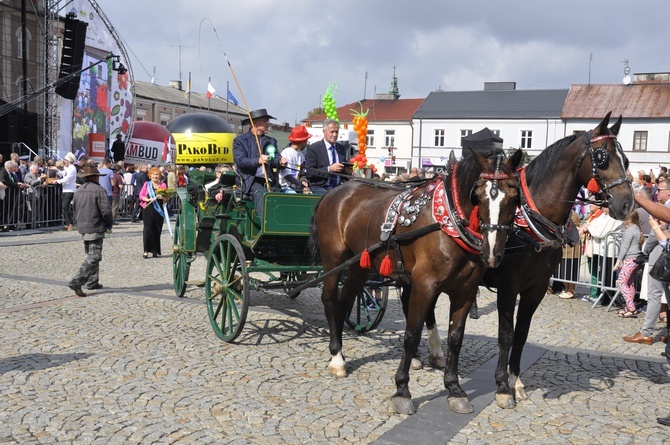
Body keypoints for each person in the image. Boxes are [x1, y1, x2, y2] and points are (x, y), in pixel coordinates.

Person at [624, 179, 670, 345]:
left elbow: (656, 234)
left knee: (654, 295)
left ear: (668, 192)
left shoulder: (667, 207)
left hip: (660, 257)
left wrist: (645, 251)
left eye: (661, 190)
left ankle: (646, 332)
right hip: (663, 256)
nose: (658, 192)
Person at [67, 163, 113, 297]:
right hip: (95, 225)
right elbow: (106, 210)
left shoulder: (79, 190)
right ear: (94, 177)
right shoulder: (99, 190)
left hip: (83, 225)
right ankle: (77, 280)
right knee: (95, 255)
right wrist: (109, 224)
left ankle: (93, 282)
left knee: (91, 253)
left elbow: (74, 208)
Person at [233, 108, 287, 218]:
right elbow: (240, 161)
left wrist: (280, 161)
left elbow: (274, 156)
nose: (269, 124)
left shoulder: (271, 141)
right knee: (262, 195)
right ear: (255, 123)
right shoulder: (240, 140)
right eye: (266, 121)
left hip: (269, 179)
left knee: (284, 195)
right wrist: (258, 160)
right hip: (249, 179)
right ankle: (268, 226)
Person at [613, 211, 643, 317]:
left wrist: (617, 262)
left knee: (622, 282)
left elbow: (624, 247)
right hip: (635, 258)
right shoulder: (636, 228)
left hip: (630, 258)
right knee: (629, 283)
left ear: (629, 219)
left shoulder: (630, 230)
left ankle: (631, 308)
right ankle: (628, 307)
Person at [304, 118, 346, 194]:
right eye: (332, 132)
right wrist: (329, 169)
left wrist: (349, 171)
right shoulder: (314, 148)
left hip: (338, 187)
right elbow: (310, 172)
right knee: (329, 197)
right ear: (324, 131)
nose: (335, 135)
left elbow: (343, 172)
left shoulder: (341, 148)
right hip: (320, 186)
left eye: (336, 132)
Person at [138, 166, 166, 258]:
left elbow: (167, 198)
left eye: (157, 174)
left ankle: (155, 250)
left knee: (157, 229)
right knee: (147, 228)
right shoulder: (147, 184)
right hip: (148, 208)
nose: (155, 176)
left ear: (159, 176)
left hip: (159, 209)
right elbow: (141, 195)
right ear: (150, 175)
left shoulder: (163, 185)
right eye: (153, 174)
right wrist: (148, 199)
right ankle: (146, 250)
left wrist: (163, 197)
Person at [279, 125, 311, 194]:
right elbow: (287, 176)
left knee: (310, 195)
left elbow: (302, 173)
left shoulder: (301, 155)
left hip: (297, 186)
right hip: (285, 187)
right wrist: (301, 188)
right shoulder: (287, 152)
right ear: (303, 141)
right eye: (306, 140)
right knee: (294, 196)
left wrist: (303, 181)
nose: (306, 143)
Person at [56, 152, 78, 230]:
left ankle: (70, 223)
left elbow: (67, 178)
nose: (64, 161)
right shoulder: (67, 168)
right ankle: (68, 223)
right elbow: (63, 174)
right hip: (65, 189)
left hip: (70, 190)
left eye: (65, 160)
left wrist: (57, 181)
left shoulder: (72, 168)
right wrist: (56, 170)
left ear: (68, 160)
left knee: (66, 206)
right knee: (65, 207)